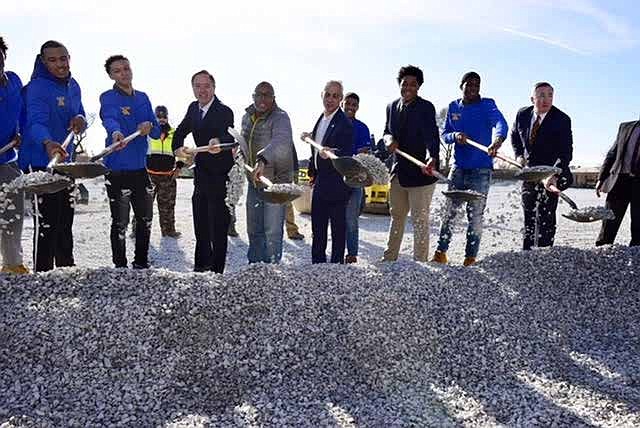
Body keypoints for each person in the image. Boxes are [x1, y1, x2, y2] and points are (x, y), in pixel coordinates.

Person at [19, 40, 86, 272]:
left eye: (64, 58)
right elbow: (35, 121)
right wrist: (47, 142)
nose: (60, 64)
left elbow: (80, 113)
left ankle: (66, 270)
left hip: (66, 161)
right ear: (43, 62)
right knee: (47, 222)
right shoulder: (37, 87)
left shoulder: (73, 84)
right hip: (41, 161)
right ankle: (44, 275)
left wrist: (80, 121)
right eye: (53, 60)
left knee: (66, 220)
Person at [432, 72, 508, 266]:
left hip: (481, 171)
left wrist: (497, 141)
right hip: (458, 169)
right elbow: (445, 134)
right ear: (461, 86)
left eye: (477, 84)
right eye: (469, 84)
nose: (473, 87)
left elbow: (501, 123)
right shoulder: (453, 107)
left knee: (475, 216)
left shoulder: (487, 105)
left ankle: (470, 258)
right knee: (449, 212)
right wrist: (455, 135)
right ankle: (441, 253)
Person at [99, 54, 159, 269]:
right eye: (117, 70)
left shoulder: (143, 97)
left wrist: (150, 127)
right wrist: (116, 132)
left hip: (140, 170)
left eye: (126, 68)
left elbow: (156, 130)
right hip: (117, 170)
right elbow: (109, 117)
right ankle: (120, 266)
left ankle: (141, 263)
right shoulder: (108, 97)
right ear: (111, 76)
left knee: (145, 220)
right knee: (120, 222)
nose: (123, 73)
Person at [173, 70, 234, 273]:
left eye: (206, 86)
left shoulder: (224, 111)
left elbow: (228, 137)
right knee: (201, 226)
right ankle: (200, 270)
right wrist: (178, 148)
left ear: (214, 88)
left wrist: (218, 142)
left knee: (218, 228)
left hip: (220, 177)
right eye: (197, 86)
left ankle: (217, 273)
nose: (202, 90)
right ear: (193, 88)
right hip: (201, 176)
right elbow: (180, 132)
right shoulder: (193, 108)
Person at [381, 65, 439, 263]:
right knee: (396, 216)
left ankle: (420, 263)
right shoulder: (391, 107)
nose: (408, 87)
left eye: (413, 84)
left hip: (422, 173)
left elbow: (432, 136)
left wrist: (433, 157)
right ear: (400, 84)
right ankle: (389, 258)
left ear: (419, 87)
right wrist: (388, 140)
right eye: (405, 83)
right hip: (398, 172)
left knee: (419, 221)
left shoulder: (426, 107)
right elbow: (386, 132)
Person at [511, 82, 573, 250]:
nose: (546, 99)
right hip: (529, 174)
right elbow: (515, 136)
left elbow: (566, 152)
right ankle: (527, 253)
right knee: (529, 216)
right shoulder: (522, 114)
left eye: (550, 95)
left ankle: (545, 254)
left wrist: (553, 175)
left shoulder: (562, 119)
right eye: (541, 95)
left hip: (551, 172)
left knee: (545, 216)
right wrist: (519, 156)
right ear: (532, 98)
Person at [241, 81, 294, 263]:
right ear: (253, 96)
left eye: (267, 95)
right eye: (259, 94)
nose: (262, 98)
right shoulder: (247, 117)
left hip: (275, 184)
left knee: (272, 231)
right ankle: (255, 268)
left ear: (273, 98)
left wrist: (262, 159)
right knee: (254, 229)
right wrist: (238, 151)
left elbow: (281, 140)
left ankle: (272, 270)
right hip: (254, 181)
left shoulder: (280, 117)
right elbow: (244, 141)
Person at [303, 80, 353, 264]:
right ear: (322, 95)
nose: (330, 99)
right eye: (328, 95)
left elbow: (347, 152)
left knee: (338, 229)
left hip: (338, 184)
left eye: (335, 96)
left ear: (340, 99)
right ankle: (317, 265)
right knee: (318, 227)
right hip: (321, 182)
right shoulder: (321, 118)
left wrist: (333, 153)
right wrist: (313, 170)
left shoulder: (344, 123)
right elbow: (316, 150)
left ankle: (337, 267)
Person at [0, 36, 28, 274]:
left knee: (12, 214)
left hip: (8, 160)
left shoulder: (14, 81)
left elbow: (22, 112)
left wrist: (20, 132)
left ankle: (12, 265)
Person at [595, 119, 640, 246]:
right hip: (620, 181)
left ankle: (635, 260)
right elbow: (612, 153)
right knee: (609, 222)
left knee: (638, 226)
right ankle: (601, 255)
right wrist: (601, 178)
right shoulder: (625, 127)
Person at [341, 91, 371, 264]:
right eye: (348, 103)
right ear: (343, 103)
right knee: (337, 217)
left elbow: (364, 152)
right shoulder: (334, 124)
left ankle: (352, 254)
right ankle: (337, 251)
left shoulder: (362, 128)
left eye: (354, 105)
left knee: (351, 218)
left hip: (355, 179)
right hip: (335, 178)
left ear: (357, 107)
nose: (351, 107)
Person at [146, 105, 183, 238]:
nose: (162, 119)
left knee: (167, 206)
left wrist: (178, 167)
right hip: (149, 176)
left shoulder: (174, 133)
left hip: (168, 176)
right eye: (159, 117)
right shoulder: (148, 133)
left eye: (164, 117)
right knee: (144, 206)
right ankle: (138, 230)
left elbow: (181, 152)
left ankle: (168, 230)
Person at [284, 144, 305, 241]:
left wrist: (296, 174)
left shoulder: (284, 133)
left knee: (287, 205)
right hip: (268, 173)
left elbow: (293, 153)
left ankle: (292, 230)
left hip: (284, 174)